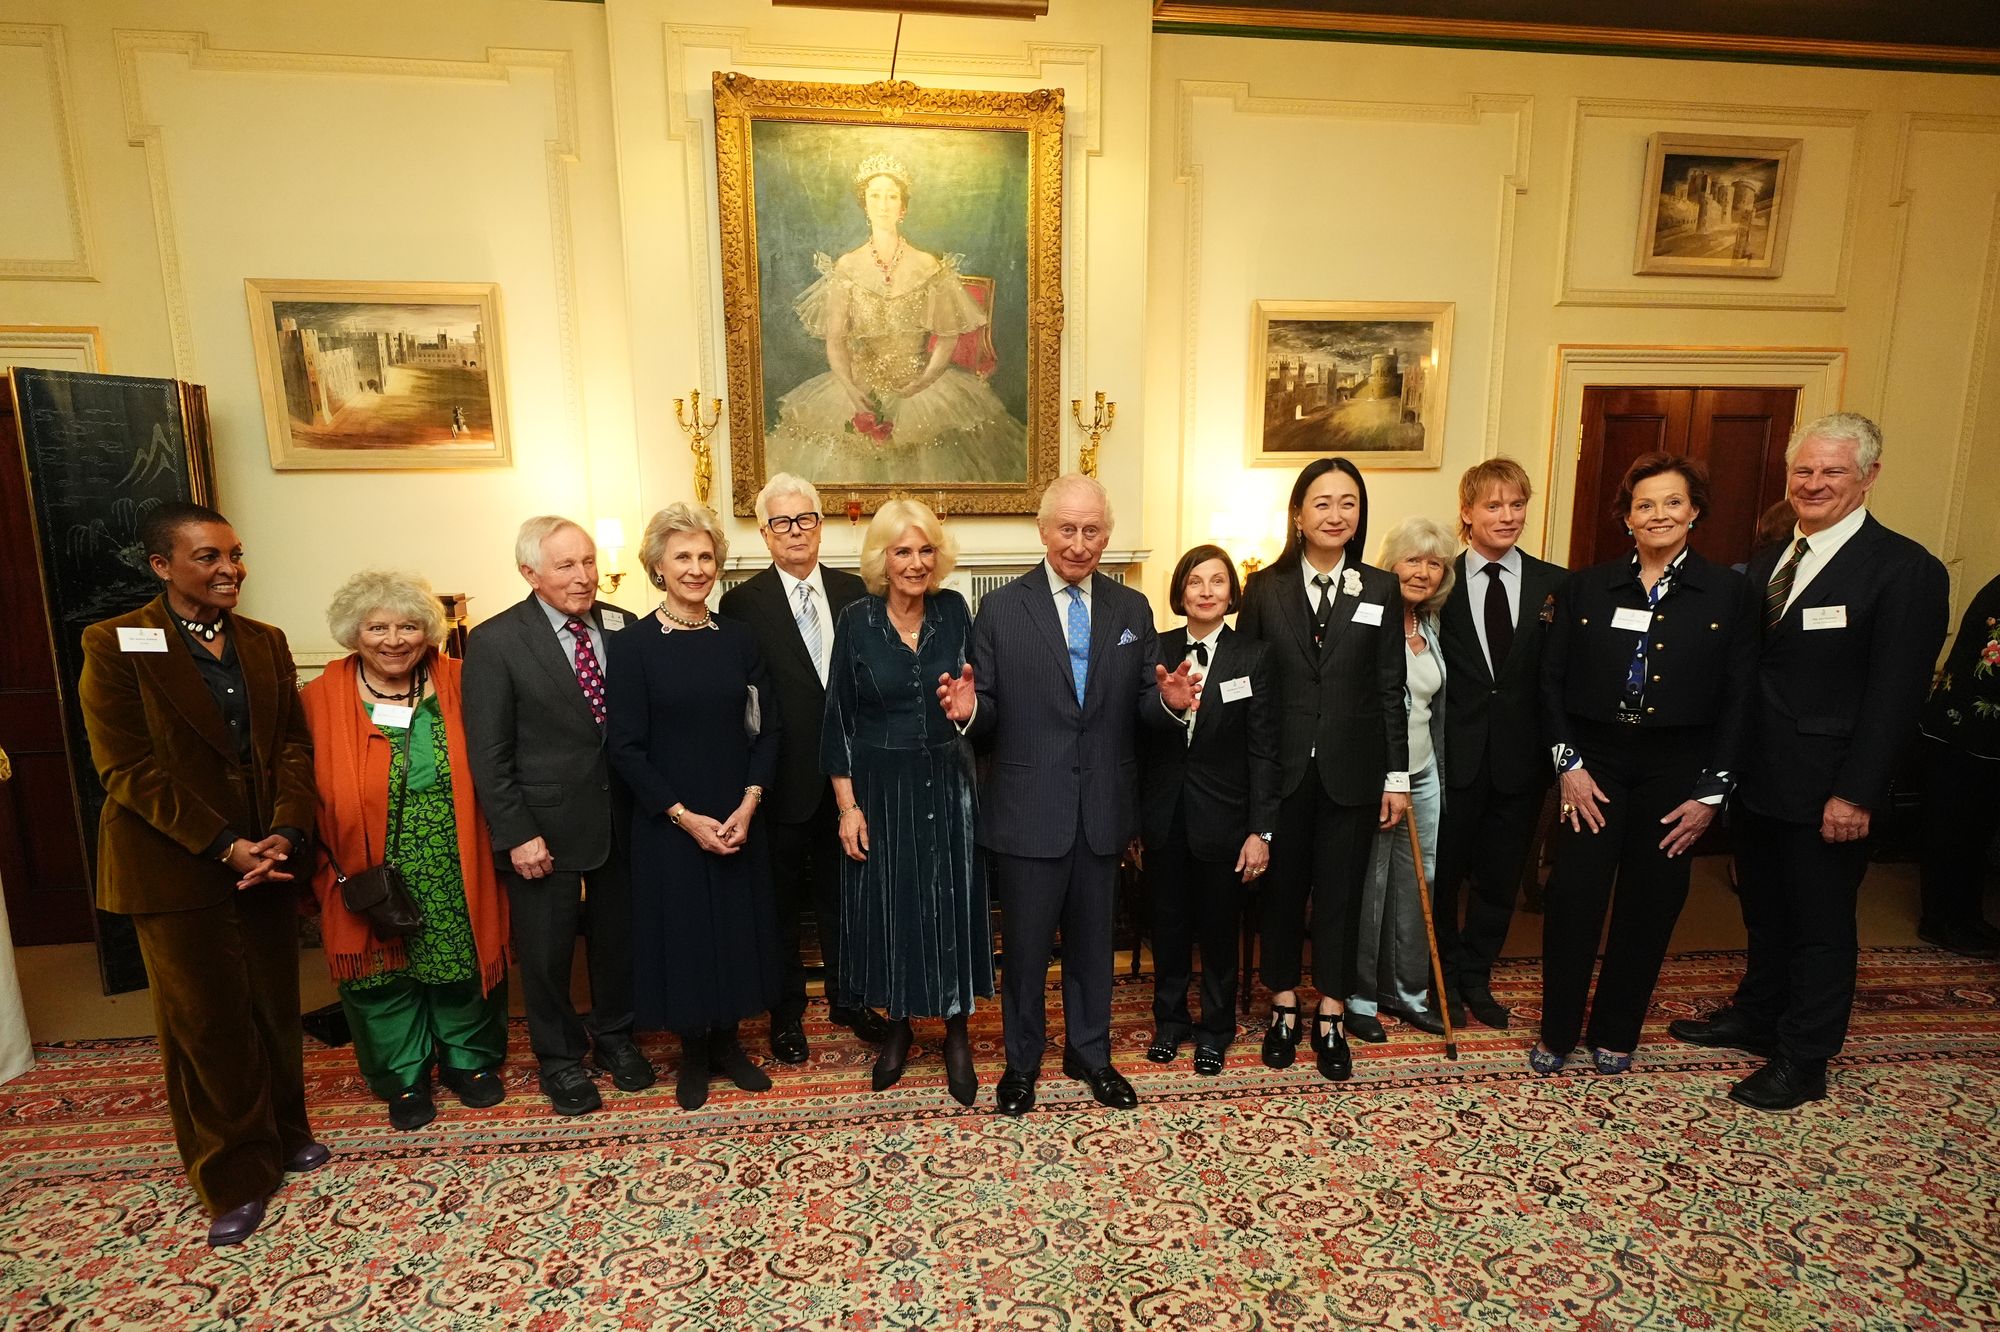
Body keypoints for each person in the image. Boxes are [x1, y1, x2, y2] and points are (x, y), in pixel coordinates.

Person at [1669, 413, 1949, 1110]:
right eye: (1804, 471)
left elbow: (1896, 696)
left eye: (1832, 471)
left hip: (1829, 788)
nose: (1814, 483)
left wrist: (1856, 792)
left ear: (1869, 477)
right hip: (1759, 777)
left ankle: (1806, 1057)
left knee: (1822, 925)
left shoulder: (1904, 570)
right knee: (1764, 910)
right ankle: (1758, 1015)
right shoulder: (1770, 560)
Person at [77, 502, 327, 1247]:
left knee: (273, 1007)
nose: (230, 570)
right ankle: (233, 1177)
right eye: (209, 557)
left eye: (236, 555)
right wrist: (225, 845)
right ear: (162, 566)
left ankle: (284, 1133)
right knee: (206, 1026)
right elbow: (125, 768)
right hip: (174, 865)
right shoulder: (114, 643)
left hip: (266, 857)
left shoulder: (264, 642)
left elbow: (289, 744)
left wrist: (283, 830)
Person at [938, 473, 1199, 1115]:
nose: (1079, 544)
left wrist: (1167, 706)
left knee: (1093, 951)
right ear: (1043, 530)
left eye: (1092, 531)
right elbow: (990, 708)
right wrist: (970, 711)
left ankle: (1090, 1053)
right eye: (1068, 529)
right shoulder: (1000, 609)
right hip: (1028, 811)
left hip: (1104, 809)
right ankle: (1021, 1065)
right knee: (1025, 953)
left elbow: (1145, 703)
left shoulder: (1132, 611)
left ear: (1107, 536)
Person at [1530, 455, 1755, 1076]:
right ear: (1627, 517)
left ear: (1695, 512)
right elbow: (1550, 684)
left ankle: (1617, 1028)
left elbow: (1741, 695)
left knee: (1650, 904)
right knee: (1574, 896)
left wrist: (1713, 791)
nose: (1659, 515)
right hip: (1593, 764)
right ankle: (1557, 1031)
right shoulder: (1585, 587)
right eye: (1645, 505)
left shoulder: (1730, 593)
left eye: (1672, 503)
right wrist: (1568, 766)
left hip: (1676, 770)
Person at [300, 570, 511, 1130]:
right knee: (378, 972)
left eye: (409, 626)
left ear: (429, 632)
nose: (394, 640)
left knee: (458, 959)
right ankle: (404, 1075)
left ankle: (469, 1063)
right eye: (378, 627)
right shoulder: (319, 697)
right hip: (364, 861)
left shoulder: (463, 680)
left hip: (453, 850)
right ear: (354, 632)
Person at [463, 517, 655, 1116]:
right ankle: (560, 1059)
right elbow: (488, 754)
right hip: (541, 827)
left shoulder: (622, 626)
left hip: (621, 816)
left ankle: (615, 1038)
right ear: (530, 573)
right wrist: (517, 833)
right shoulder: (497, 641)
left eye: (589, 562)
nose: (584, 577)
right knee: (545, 953)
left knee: (619, 940)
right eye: (566, 565)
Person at [1237, 458, 1411, 1082]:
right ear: (1298, 515)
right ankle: (1283, 1002)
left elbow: (1393, 689)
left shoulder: (1382, 588)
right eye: (1322, 503)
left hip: (1354, 773)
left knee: (1341, 893)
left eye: (1348, 503)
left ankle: (1332, 1009)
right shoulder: (1264, 589)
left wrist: (1397, 778)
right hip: (1282, 773)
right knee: (1282, 894)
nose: (1336, 515)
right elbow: (1251, 690)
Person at [606, 503, 785, 1110]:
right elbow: (624, 748)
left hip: (737, 812)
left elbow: (768, 729)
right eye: (682, 556)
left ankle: (729, 1046)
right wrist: (682, 816)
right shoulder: (631, 647)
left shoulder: (738, 638)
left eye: (706, 556)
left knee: (735, 930)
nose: (696, 567)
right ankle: (692, 1053)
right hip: (670, 821)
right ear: (657, 565)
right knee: (683, 935)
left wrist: (750, 802)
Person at [822, 499, 990, 1104]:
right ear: (882, 559)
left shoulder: (955, 611)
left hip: (949, 782)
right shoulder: (856, 620)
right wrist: (847, 806)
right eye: (902, 551)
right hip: (881, 789)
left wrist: (969, 712)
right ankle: (897, 1027)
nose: (915, 563)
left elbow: (976, 697)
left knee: (950, 904)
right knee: (891, 907)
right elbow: (837, 719)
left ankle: (955, 1029)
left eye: (924, 550)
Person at [719, 473, 888, 1064]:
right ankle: (786, 1012)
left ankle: (851, 997)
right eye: (781, 522)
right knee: (781, 904)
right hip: (781, 781)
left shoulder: (857, 592)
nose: (796, 532)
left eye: (806, 518)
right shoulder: (742, 603)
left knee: (851, 897)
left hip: (853, 781)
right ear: (764, 533)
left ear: (822, 523)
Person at [764, 153, 1028, 486]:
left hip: (918, 383)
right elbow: (835, 340)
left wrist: (925, 381)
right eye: (875, 195)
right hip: (861, 382)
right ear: (865, 205)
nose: (883, 204)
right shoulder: (847, 267)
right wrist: (849, 387)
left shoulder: (928, 265)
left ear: (903, 208)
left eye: (892, 196)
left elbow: (947, 336)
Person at [1431, 457, 1567, 1030]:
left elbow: (1558, 678)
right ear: (1467, 512)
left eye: (1516, 504)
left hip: (1520, 762)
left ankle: (1476, 977)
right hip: (1452, 760)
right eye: (1494, 505)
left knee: (1499, 880)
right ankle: (1440, 980)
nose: (1508, 516)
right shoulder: (1438, 581)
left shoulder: (1554, 584)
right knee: (1443, 879)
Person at [1139, 545, 1277, 1075]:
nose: (1206, 591)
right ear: (1180, 592)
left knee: (1220, 932)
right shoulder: (1159, 648)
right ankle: (1170, 1023)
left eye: (1217, 582)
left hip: (1226, 819)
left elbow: (1265, 751)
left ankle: (1216, 1029)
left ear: (1231, 592)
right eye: (1195, 582)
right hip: (1166, 814)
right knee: (1169, 928)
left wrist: (1260, 830)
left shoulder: (1254, 656)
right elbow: (1141, 734)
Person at [1347, 517, 1457, 1043]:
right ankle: (1360, 997)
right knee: (1372, 886)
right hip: (1374, 775)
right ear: (1390, 565)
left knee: (1421, 884)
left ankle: (1409, 993)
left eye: (1434, 563)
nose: (1423, 572)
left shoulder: (1430, 628)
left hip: (1424, 773)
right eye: (1413, 560)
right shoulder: (1367, 621)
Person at [1916, 568, 2000, 957]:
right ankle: (1942, 922)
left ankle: (1966, 918)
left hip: (1978, 733)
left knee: (1974, 833)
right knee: (1953, 831)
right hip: (1964, 730)